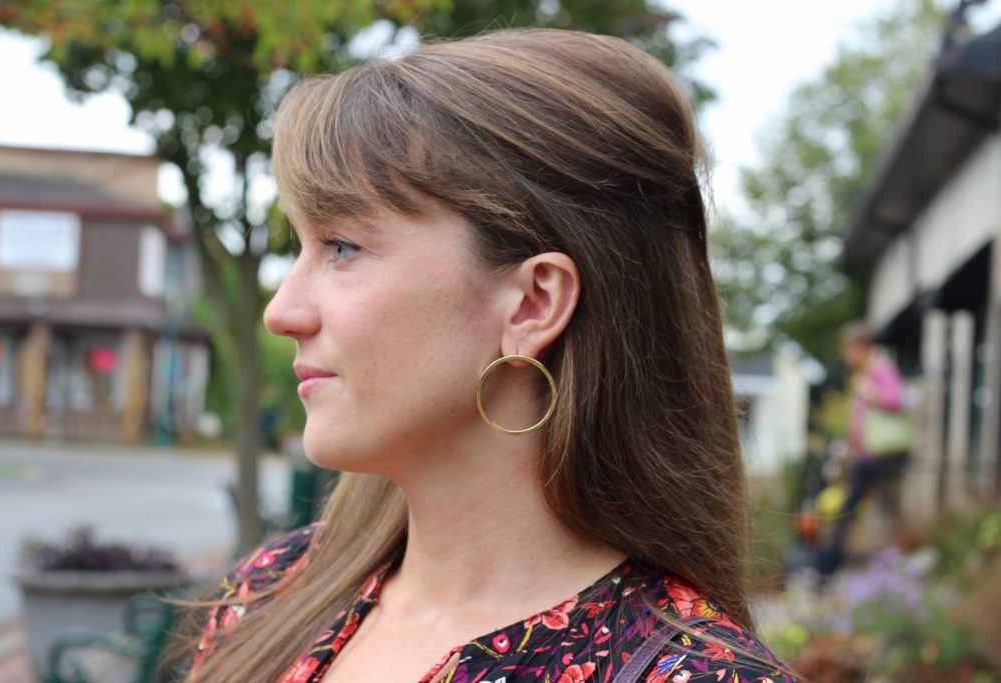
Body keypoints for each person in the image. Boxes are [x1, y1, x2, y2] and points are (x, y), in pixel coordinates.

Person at [186, 29, 793, 683]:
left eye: (341, 246)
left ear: (533, 303)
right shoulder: (273, 591)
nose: (282, 310)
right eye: (299, 245)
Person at [817, 321, 909, 580]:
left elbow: (896, 400)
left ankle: (831, 569)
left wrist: (870, 393)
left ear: (864, 347)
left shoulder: (881, 371)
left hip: (882, 456)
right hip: (866, 455)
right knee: (856, 509)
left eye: (849, 349)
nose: (846, 356)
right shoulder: (864, 374)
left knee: (876, 510)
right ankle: (834, 566)